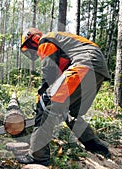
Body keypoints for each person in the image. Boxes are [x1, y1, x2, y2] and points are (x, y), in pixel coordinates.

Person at [17, 28, 112, 166]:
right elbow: (58, 77)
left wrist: (42, 95)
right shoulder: (63, 45)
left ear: (34, 38)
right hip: (97, 69)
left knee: (46, 104)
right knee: (69, 111)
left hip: (84, 64)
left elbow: (49, 73)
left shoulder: (46, 40)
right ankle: (94, 144)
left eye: (30, 46)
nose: (32, 51)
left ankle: (38, 155)